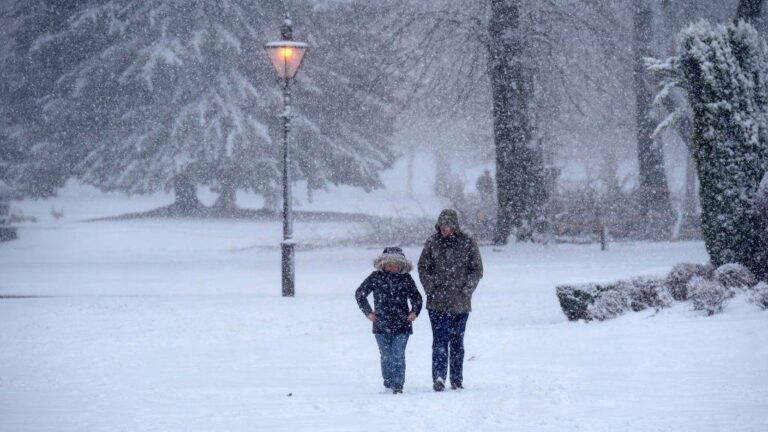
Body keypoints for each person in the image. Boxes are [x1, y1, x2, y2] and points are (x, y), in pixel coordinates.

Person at [418, 209, 483, 391]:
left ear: (454, 226)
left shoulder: (468, 242)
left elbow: (476, 270)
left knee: (457, 343)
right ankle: (439, 377)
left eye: (448, 226)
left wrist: (466, 290)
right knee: (439, 342)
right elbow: (423, 267)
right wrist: (431, 288)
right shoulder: (432, 242)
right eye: (442, 226)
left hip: (460, 303)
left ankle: (456, 379)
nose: (445, 230)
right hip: (436, 302)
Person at [355, 246, 423, 394]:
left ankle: (398, 384)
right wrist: (368, 312)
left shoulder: (406, 279)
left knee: (398, 354)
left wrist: (414, 312)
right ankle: (388, 382)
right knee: (386, 356)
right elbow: (360, 294)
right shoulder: (375, 277)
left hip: (402, 324)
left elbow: (417, 298)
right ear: (383, 264)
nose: (392, 266)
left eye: (395, 264)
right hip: (381, 325)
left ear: (401, 265)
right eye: (389, 263)